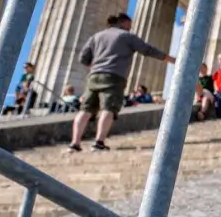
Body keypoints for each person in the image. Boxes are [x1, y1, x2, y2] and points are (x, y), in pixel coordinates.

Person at [68, 13, 175, 152]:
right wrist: (171, 60)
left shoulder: (97, 36)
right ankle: (99, 142)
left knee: (85, 110)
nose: (130, 28)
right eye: (129, 25)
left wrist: (96, 66)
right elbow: (147, 50)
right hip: (114, 76)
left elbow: (83, 58)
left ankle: (74, 143)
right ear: (123, 23)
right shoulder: (126, 36)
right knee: (108, 108)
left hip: (94, 75)